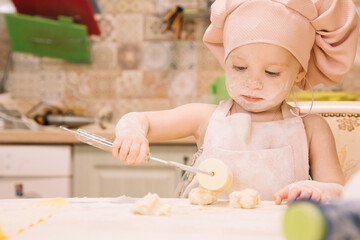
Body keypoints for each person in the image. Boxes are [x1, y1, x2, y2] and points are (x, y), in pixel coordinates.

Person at [112, 0, 359, 204]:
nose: (253, 83)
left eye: (271, 72)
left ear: (299, 74)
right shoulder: (204, 119)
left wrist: (316, 190)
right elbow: (138, 119)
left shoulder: (312, 128)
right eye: (240, 67)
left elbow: (338, 190)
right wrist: (132, 133)